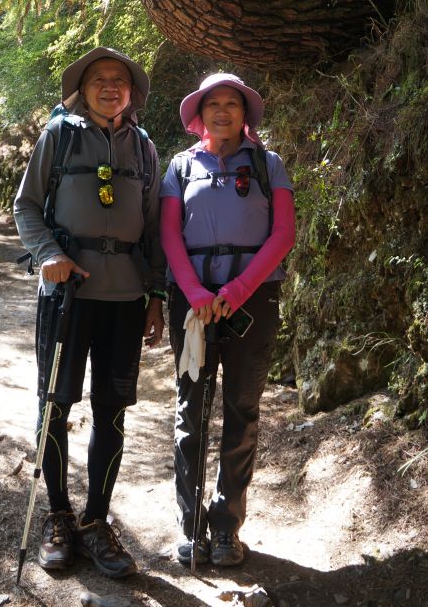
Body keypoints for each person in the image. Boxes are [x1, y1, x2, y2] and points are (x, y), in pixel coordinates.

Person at [14, 47, 166, 579]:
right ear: (82, 87)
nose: (109, 86)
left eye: (119, 80)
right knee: (55, 404)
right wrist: (48, 254)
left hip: (125, 299)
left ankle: (96, 522)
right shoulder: (59, 136)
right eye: (99, 78)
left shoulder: (144, 148)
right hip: (65, 296)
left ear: (131, 92)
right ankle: (58, 517)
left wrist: (157, 296)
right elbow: (26, 205)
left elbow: (153, 229)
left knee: (112, 409)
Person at [160, 73, 295, 567]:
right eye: (212, 104)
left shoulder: (267, 164)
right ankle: (190, 526)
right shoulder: (179, 167)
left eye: (231, 104)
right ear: (200, 114)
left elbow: (282, 234)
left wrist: (236, 292)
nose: (222, 111)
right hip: (192, 305)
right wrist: (196, 293)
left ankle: (226, 528)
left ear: (245, 113)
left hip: (254, 301)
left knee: (241, 411)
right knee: (191, 411)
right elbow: (170, 235)